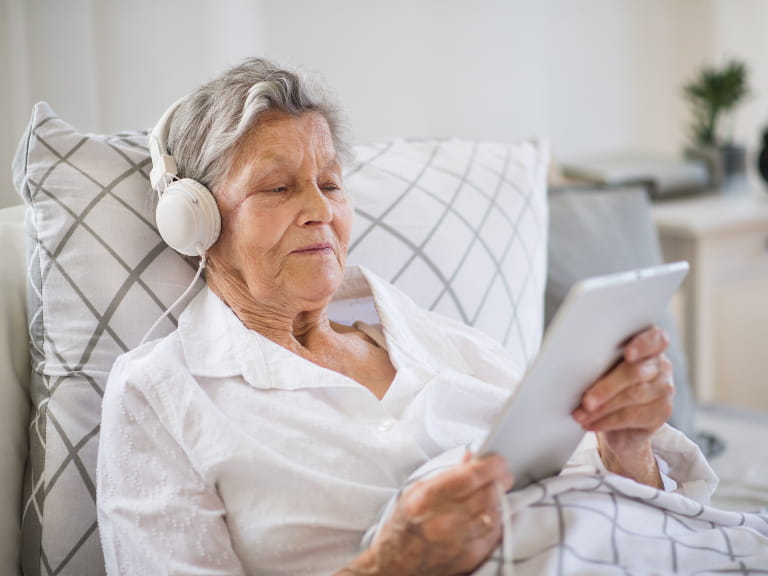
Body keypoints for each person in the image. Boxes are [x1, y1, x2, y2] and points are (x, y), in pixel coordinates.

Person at [96, 57, 715, 576]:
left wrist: (626, 446)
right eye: (278, 188)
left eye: (332, 184)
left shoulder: (438, 340)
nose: (320, 210)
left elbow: (612, 504)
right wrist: (391, 564)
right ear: (196, 219)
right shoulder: (160, 394)